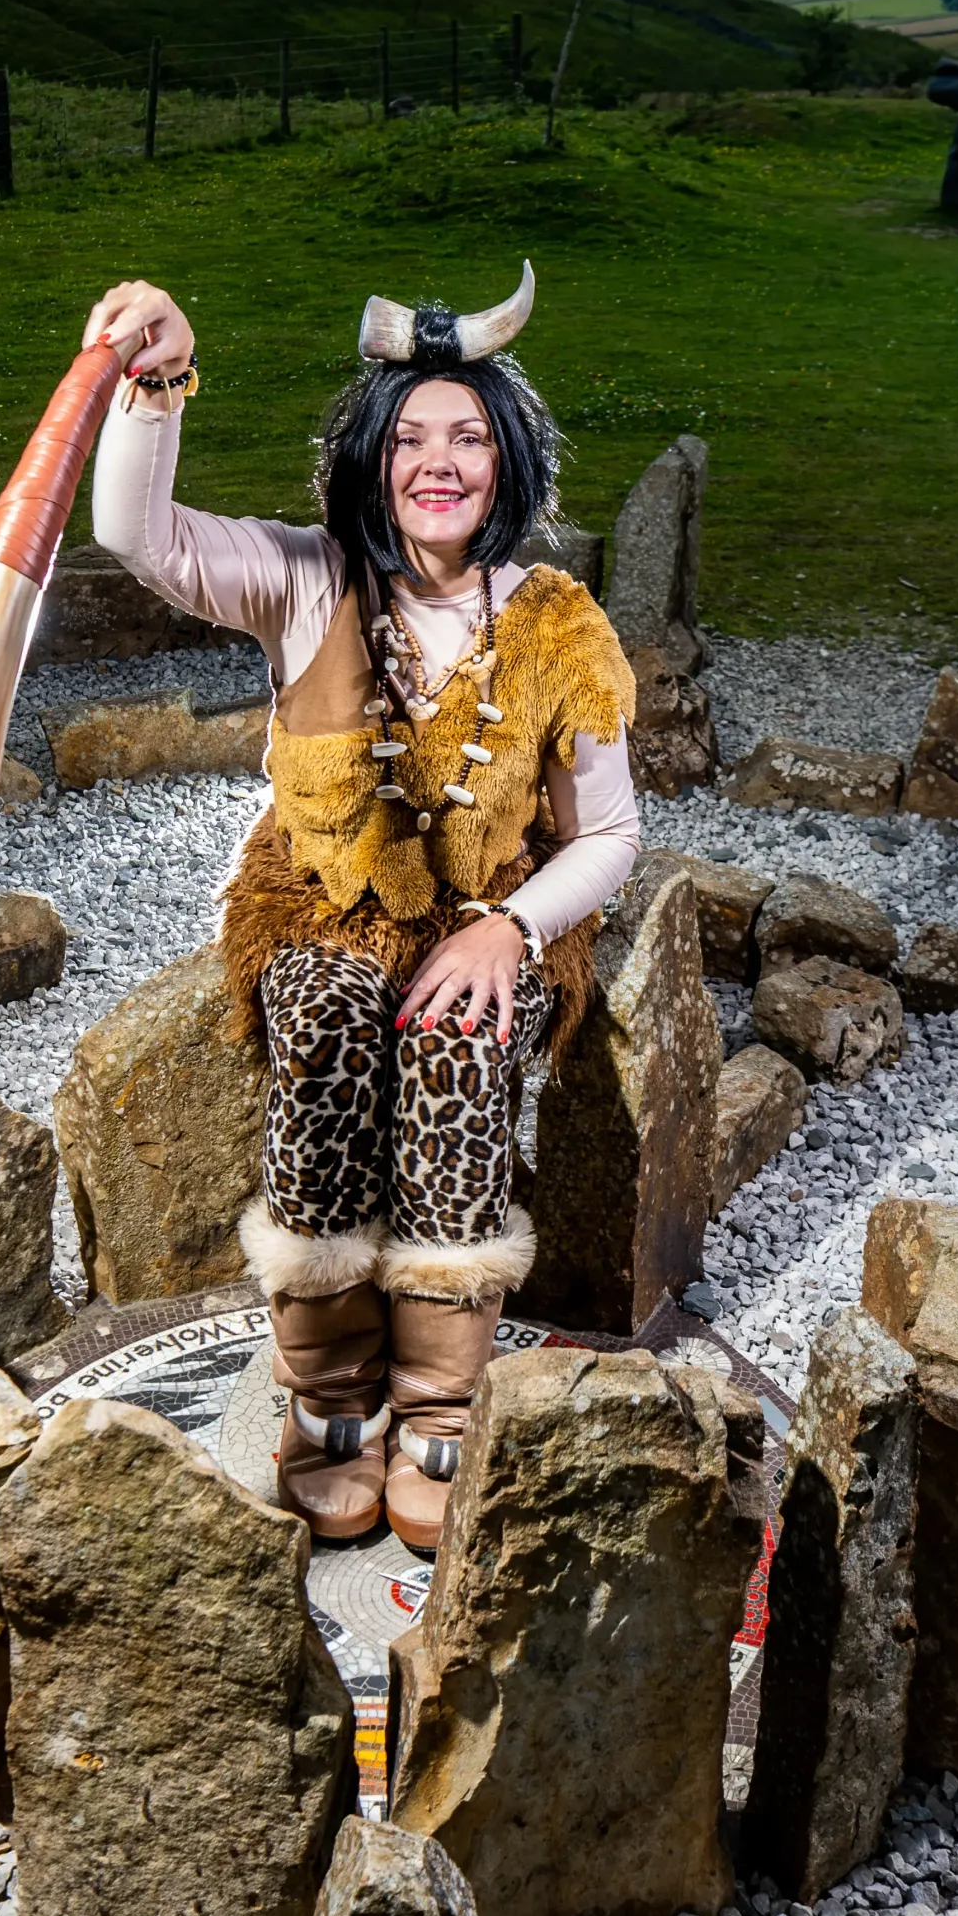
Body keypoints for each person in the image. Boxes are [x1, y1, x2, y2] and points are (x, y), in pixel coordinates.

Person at [84, 264, 640, 1552]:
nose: (436, 464)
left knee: (459, 1043)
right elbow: (135, 534)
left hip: (488, 920)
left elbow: (609, 833)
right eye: (408, 438)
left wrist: (515, 930)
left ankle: (441, 1403)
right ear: (368, 463)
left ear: (506, 464)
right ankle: (328, 1395)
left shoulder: (558, 628)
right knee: (323, 1022)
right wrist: (157, 378)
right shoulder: (305, 579)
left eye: (466, 438)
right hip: (323, 905)